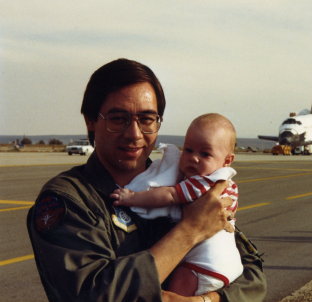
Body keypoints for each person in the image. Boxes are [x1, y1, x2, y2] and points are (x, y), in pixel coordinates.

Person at [26, 58, 267, 302]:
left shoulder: (181, 179)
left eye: (147, 119)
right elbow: (94, 294)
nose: (134, 134)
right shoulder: (69, 199)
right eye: (118, 119)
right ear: (91, 120)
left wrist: (208, 300)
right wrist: (190, 231)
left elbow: (253, 276)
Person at [110, 113, 243, 296]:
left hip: (203, 265)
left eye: (205, 154)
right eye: (188, 150)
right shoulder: (226, 183)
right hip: (224, 264)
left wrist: (132, 197)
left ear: (227, 161)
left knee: (174, 294)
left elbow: (169, 194)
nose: (194, 158)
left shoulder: (203, 183)